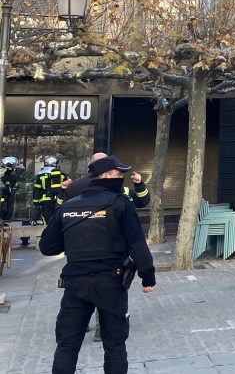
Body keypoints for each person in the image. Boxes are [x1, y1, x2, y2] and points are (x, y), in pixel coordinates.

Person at [39, 155, 156, 374]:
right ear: (105, 175)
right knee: (115, 345)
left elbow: (47, 247)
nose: (121, 177)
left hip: (75, 284)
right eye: (118, 173)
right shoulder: (120, 203)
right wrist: (147, 276)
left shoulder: (68, 206)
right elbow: (137, 244)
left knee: (67, 345)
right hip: (111, 283)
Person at [63, 152, 150, 208]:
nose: (121, 178)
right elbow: (142, 202)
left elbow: (60, 210)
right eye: (119, 174)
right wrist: (139, 185)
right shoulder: (115, 190)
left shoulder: (73, 187)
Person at [33, 156, 66, 224]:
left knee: (48, 220)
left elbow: (36, 189)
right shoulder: (62, 175)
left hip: (45, 200)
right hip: (59, 200)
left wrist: (36, 201)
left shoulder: (41, 175)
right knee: (58, 219)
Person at [1, 156, 22, 221]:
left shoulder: (10, 172)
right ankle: (5, 217)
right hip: (5, 191)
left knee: (7, 204)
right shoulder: (8, 172)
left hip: (7, 191)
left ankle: (6, 218)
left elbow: (13, 180)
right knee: (6, 205)